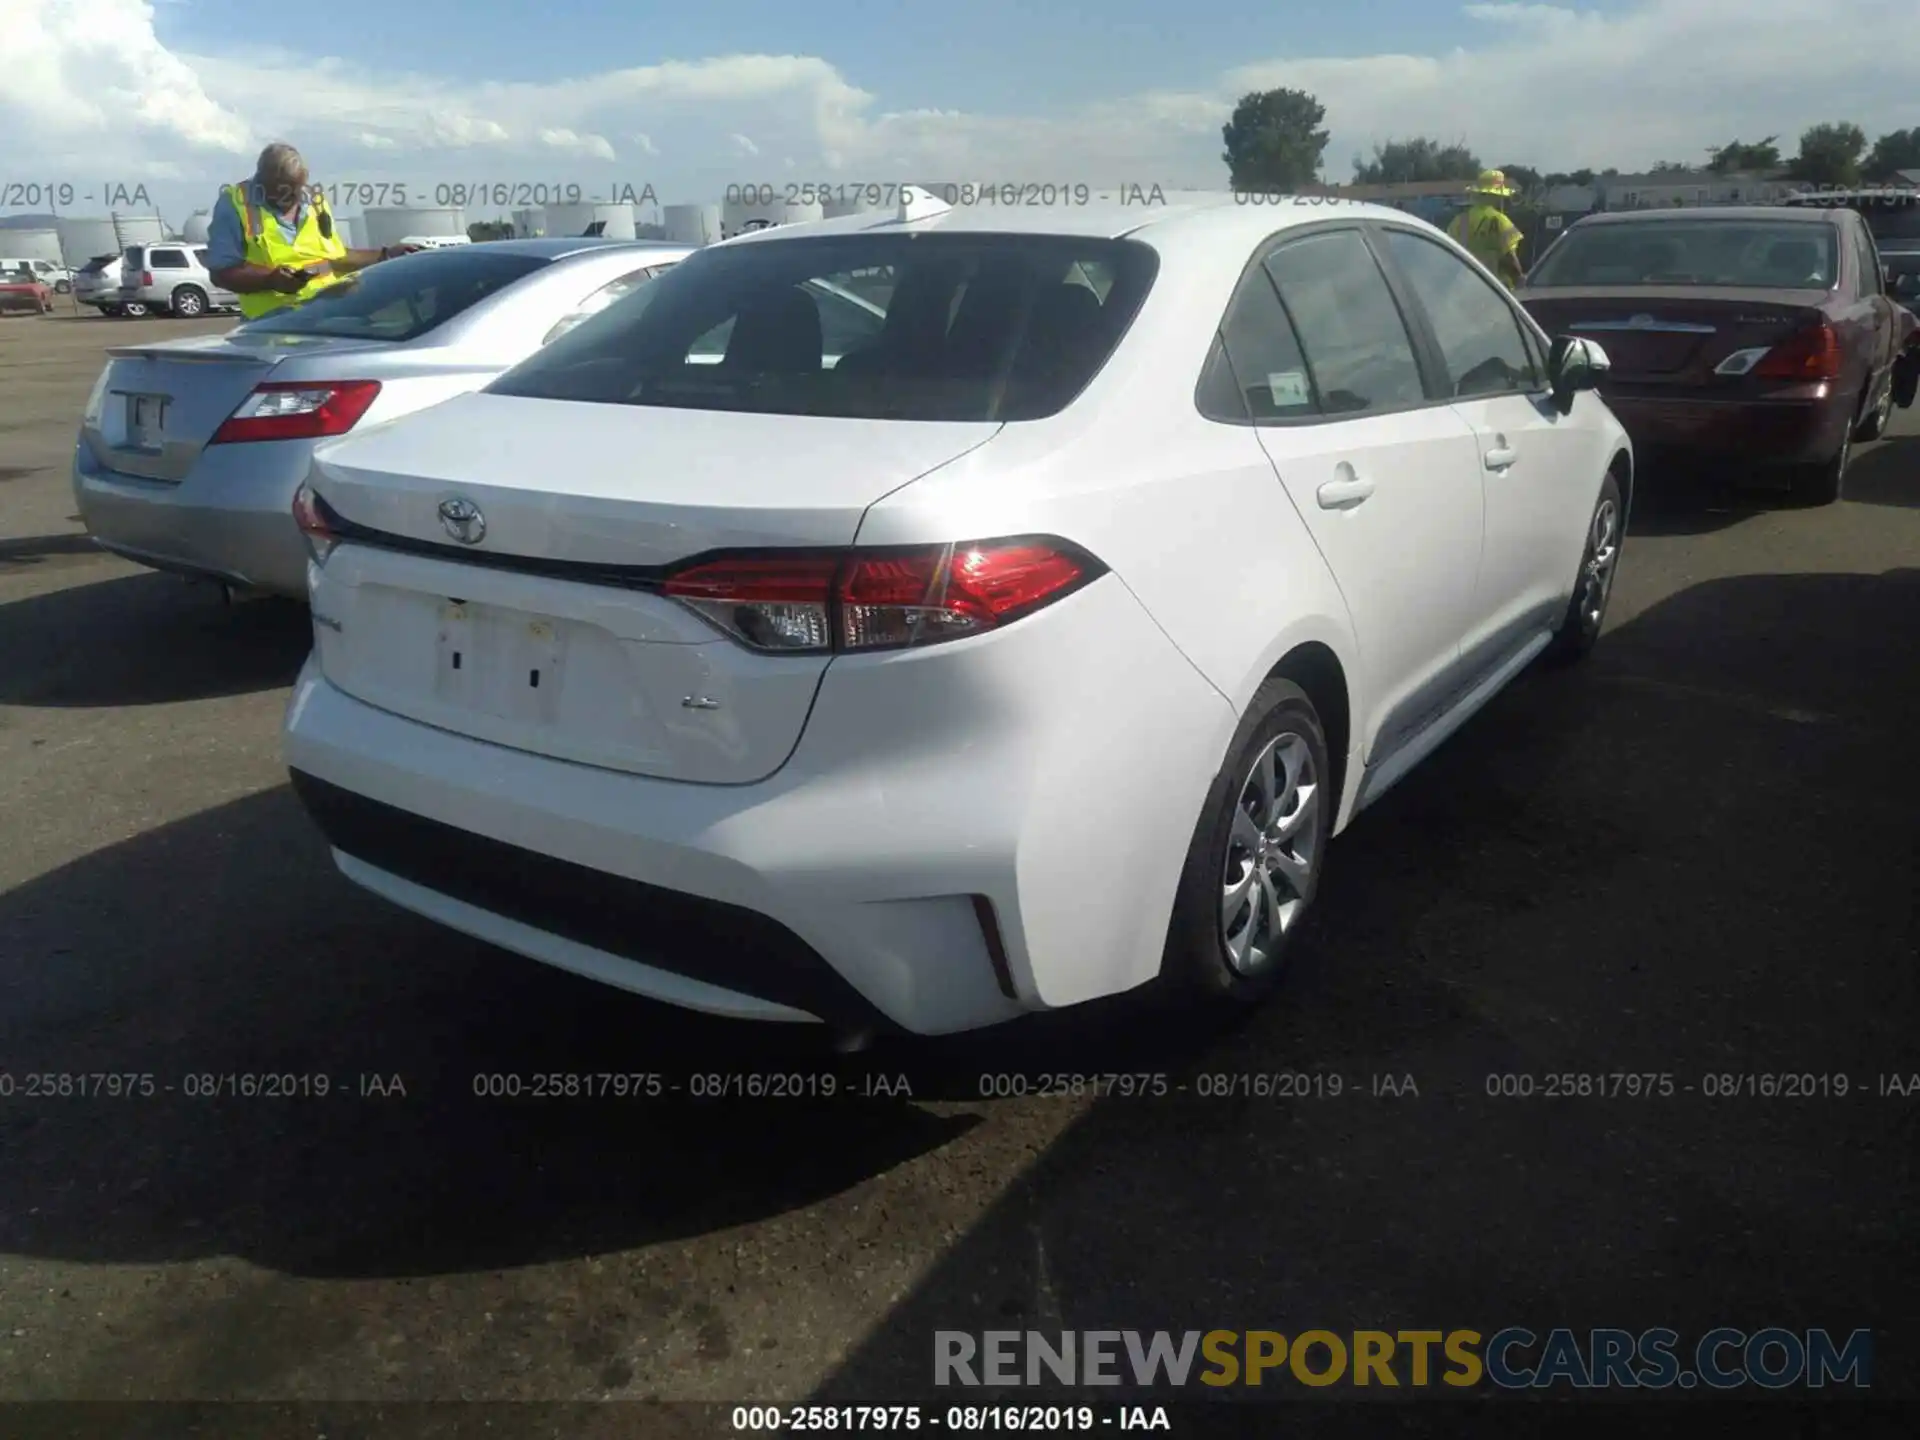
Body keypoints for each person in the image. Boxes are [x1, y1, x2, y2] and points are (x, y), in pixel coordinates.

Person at [205, 143, 422, 319]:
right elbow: (221, 273)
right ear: (261, 182)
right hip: (269, 327)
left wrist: (386, 255)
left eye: (295, 191)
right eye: (281, 192)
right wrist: (270, 280)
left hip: (325, 318)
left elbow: (337, 258)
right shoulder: (235, 204)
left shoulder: (316, 203)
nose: (290, 199)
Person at [1447, 169, 1526, 289]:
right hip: (1496, 290)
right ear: (1495, 196)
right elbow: (1509, 257)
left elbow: (1449, 255)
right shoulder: (1499, 220)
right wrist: (1520, 279)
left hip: (1466, 287)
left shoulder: (1459, 221)